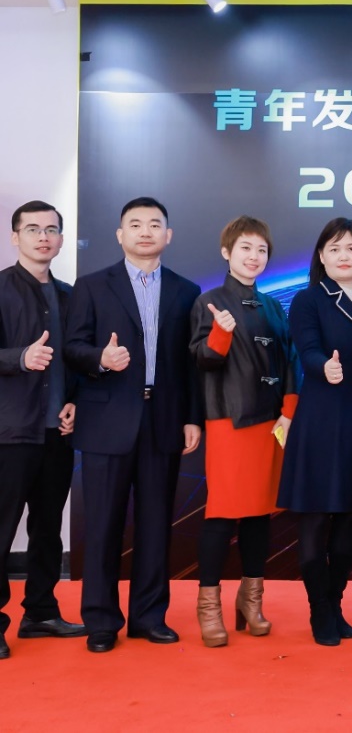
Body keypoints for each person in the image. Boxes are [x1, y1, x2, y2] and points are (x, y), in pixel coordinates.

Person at [64, 196, 203, 654]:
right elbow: (73, 347)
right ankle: (101, 620)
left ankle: (149, 617)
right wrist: (100, 359)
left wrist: (191, 417)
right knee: (103, 525)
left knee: (155, 524)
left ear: (168, 235)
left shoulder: (186, 291)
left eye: (155, 224)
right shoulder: (91, 286)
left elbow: (190, 364)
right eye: (136, 224)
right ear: (120, 234)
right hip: (107, 420)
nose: (146, 231)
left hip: (163, 420)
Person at [189, 216, 299, 648]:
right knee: (221, 514)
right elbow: (202, 360)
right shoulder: (209, 302)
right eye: (246, 248)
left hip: (271, 424)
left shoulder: (273, 306)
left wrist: (288, 412)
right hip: (229, 421)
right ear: (226, 252)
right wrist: (220, 333)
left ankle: (251, 602)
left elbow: (290, 361)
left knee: (259, 514)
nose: (254, 257)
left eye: (261, 250)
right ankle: (208, 608)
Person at [277, 218, 352, 647]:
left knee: (349, 519)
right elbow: (308, 350)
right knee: (317, 519)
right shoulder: (309, 299)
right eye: (335, 248)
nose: (344, 256)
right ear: (321, 255)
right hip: (321, 420)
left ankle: (335, 603)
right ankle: (319, 608)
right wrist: (324, 367)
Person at [0, 200, 86, 659]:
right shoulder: (1, 289)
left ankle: (41, 612)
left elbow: (77, 360)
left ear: (61, 238)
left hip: (57, 435)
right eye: (32, 229)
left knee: (48, 529)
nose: (43, 237)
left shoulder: (71, 296)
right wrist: (20, 357)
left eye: (51, 229)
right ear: (15, 237)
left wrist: (74, 401)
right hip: (11, 433)